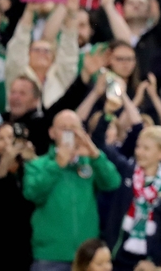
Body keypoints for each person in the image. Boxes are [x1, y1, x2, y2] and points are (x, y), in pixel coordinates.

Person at [23, 110, 122, 271]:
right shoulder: (37, 165)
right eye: (63, 127)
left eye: (74, 128)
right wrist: (57, 164)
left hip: (87, 257)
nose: (69, 132)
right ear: (52, 133)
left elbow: (112, 182)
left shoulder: (90, 161)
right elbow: (33, 193)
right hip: (50, 256)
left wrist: (95, 154)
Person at [97, 124, 161, 271]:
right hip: (116, 260)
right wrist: (107, 115)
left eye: (146, 148)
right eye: (138, 147)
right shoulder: (126, 173)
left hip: (145, 266)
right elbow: (100, 145)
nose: (139, 152)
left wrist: (153, 259)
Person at [0, 122, 36, 270]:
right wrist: (8, 157)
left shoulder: (27, 168)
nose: (7, 142)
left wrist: (33, 158)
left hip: (26, 239)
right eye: (1, 138)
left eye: (10, 137)